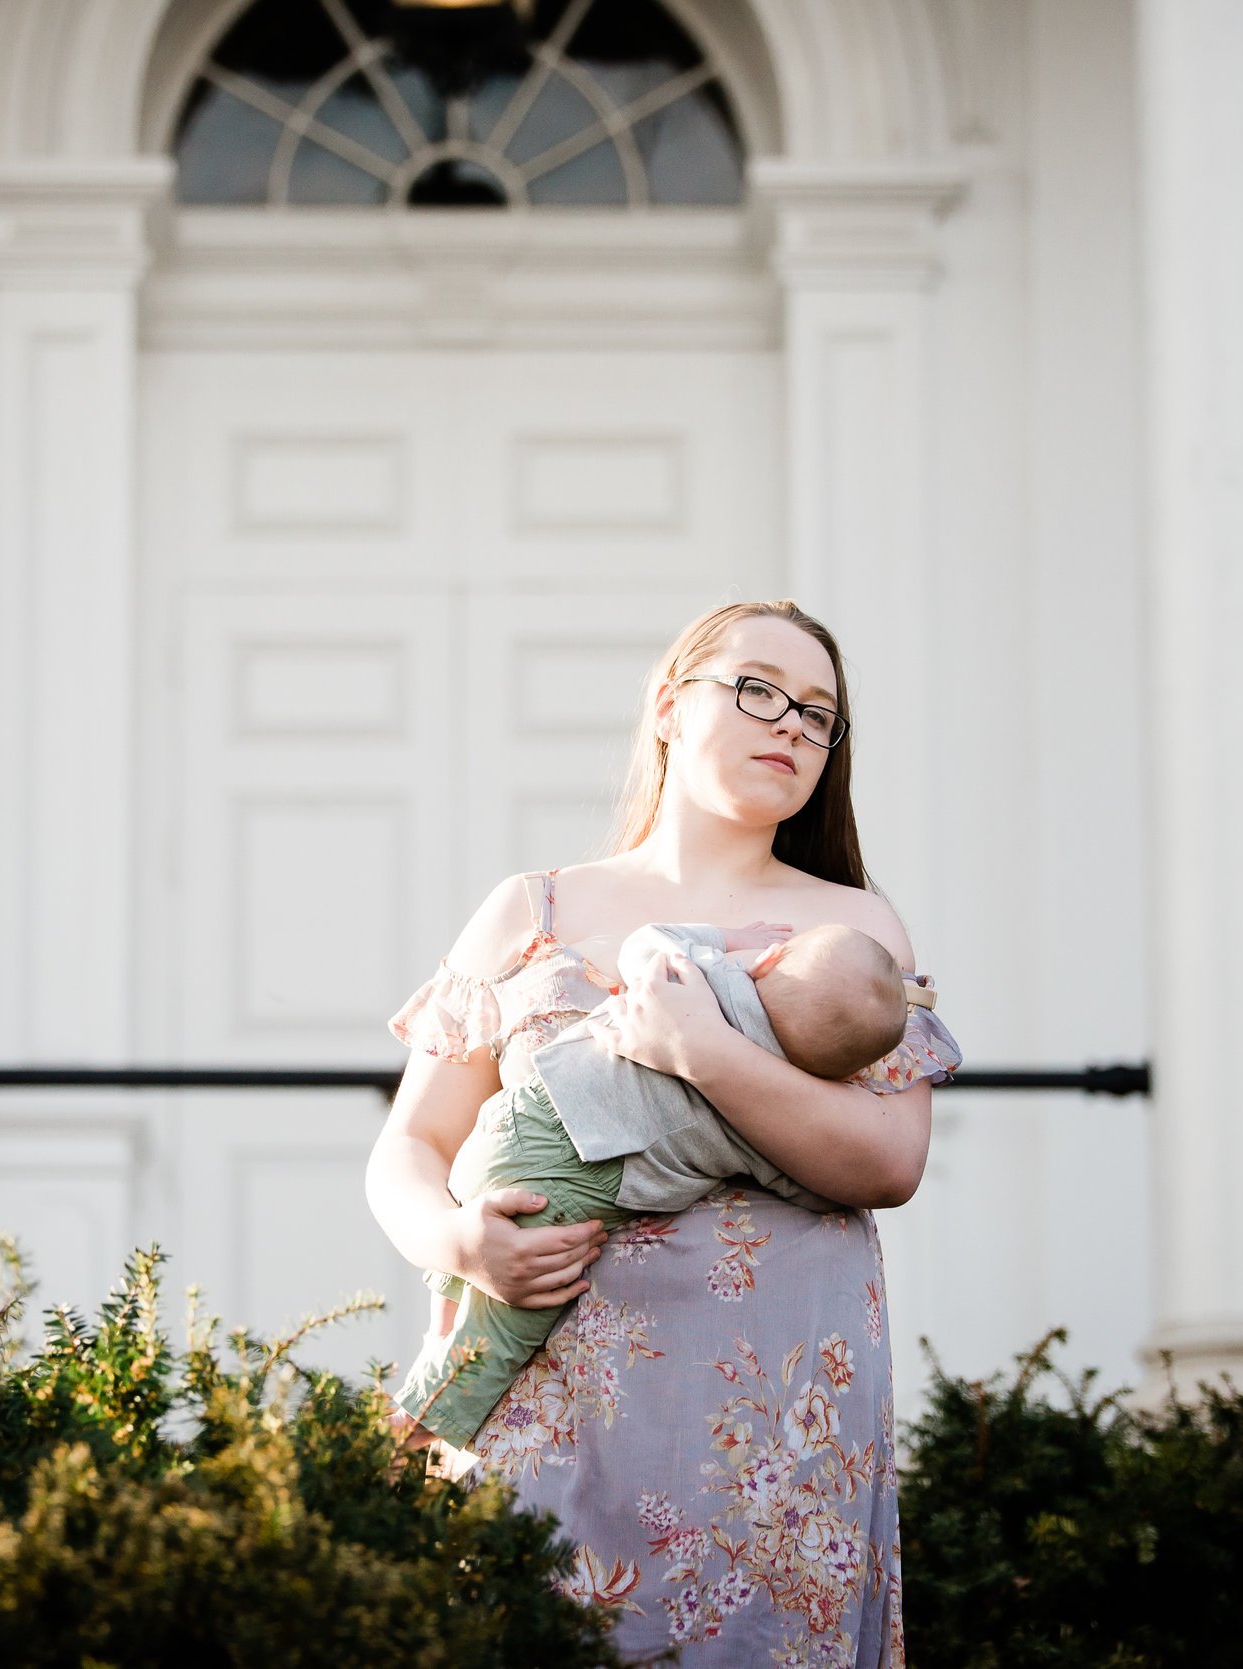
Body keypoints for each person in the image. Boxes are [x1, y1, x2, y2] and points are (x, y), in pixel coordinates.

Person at [368, 599, 946, 1666]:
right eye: (758, 689)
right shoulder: (531, 910)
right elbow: (408, 1149)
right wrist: (457, 1241)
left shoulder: (852, 930)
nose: (791, 726)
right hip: (549, 1401)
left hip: (772, 1440)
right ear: (670, 705)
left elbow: (890, 1161)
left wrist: (705, 1051)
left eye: (819, 715)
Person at [392, 919, 957, 1452]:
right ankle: (420, 1421)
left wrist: (726, 937)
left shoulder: (708, 979)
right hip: (575, 1180)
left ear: (771, 959)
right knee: (508, 1327)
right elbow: (814, 1187)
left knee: (467, 1286)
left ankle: (429, 1363)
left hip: (523, 1113)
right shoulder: (763, 1114)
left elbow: (646, 942)